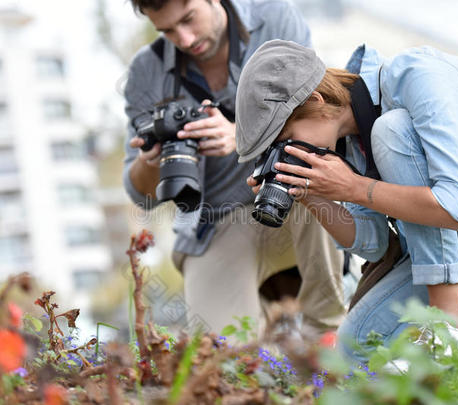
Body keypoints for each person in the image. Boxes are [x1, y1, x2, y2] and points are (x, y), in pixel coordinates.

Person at [234, 40, 458, 359]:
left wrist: (355, 188)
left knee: (394, 132)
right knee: (357, 348)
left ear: (315, 101)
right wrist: (310, 195)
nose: (289, 155)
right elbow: (374, 243)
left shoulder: (414, 74)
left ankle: (453, 325)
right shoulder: (347, 144)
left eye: (285, 142)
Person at [122, 1, 346, 337]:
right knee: (225, 358)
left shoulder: (273, 20)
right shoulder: (146, 72)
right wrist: (151, 161)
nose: (183, 39)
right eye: (167, 31)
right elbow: (143, 196)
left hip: (287, 197)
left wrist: (240, 134)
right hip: (214, 224)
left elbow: (316, 112)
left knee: (312, 180)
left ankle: (330, 336)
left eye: (188, 19)